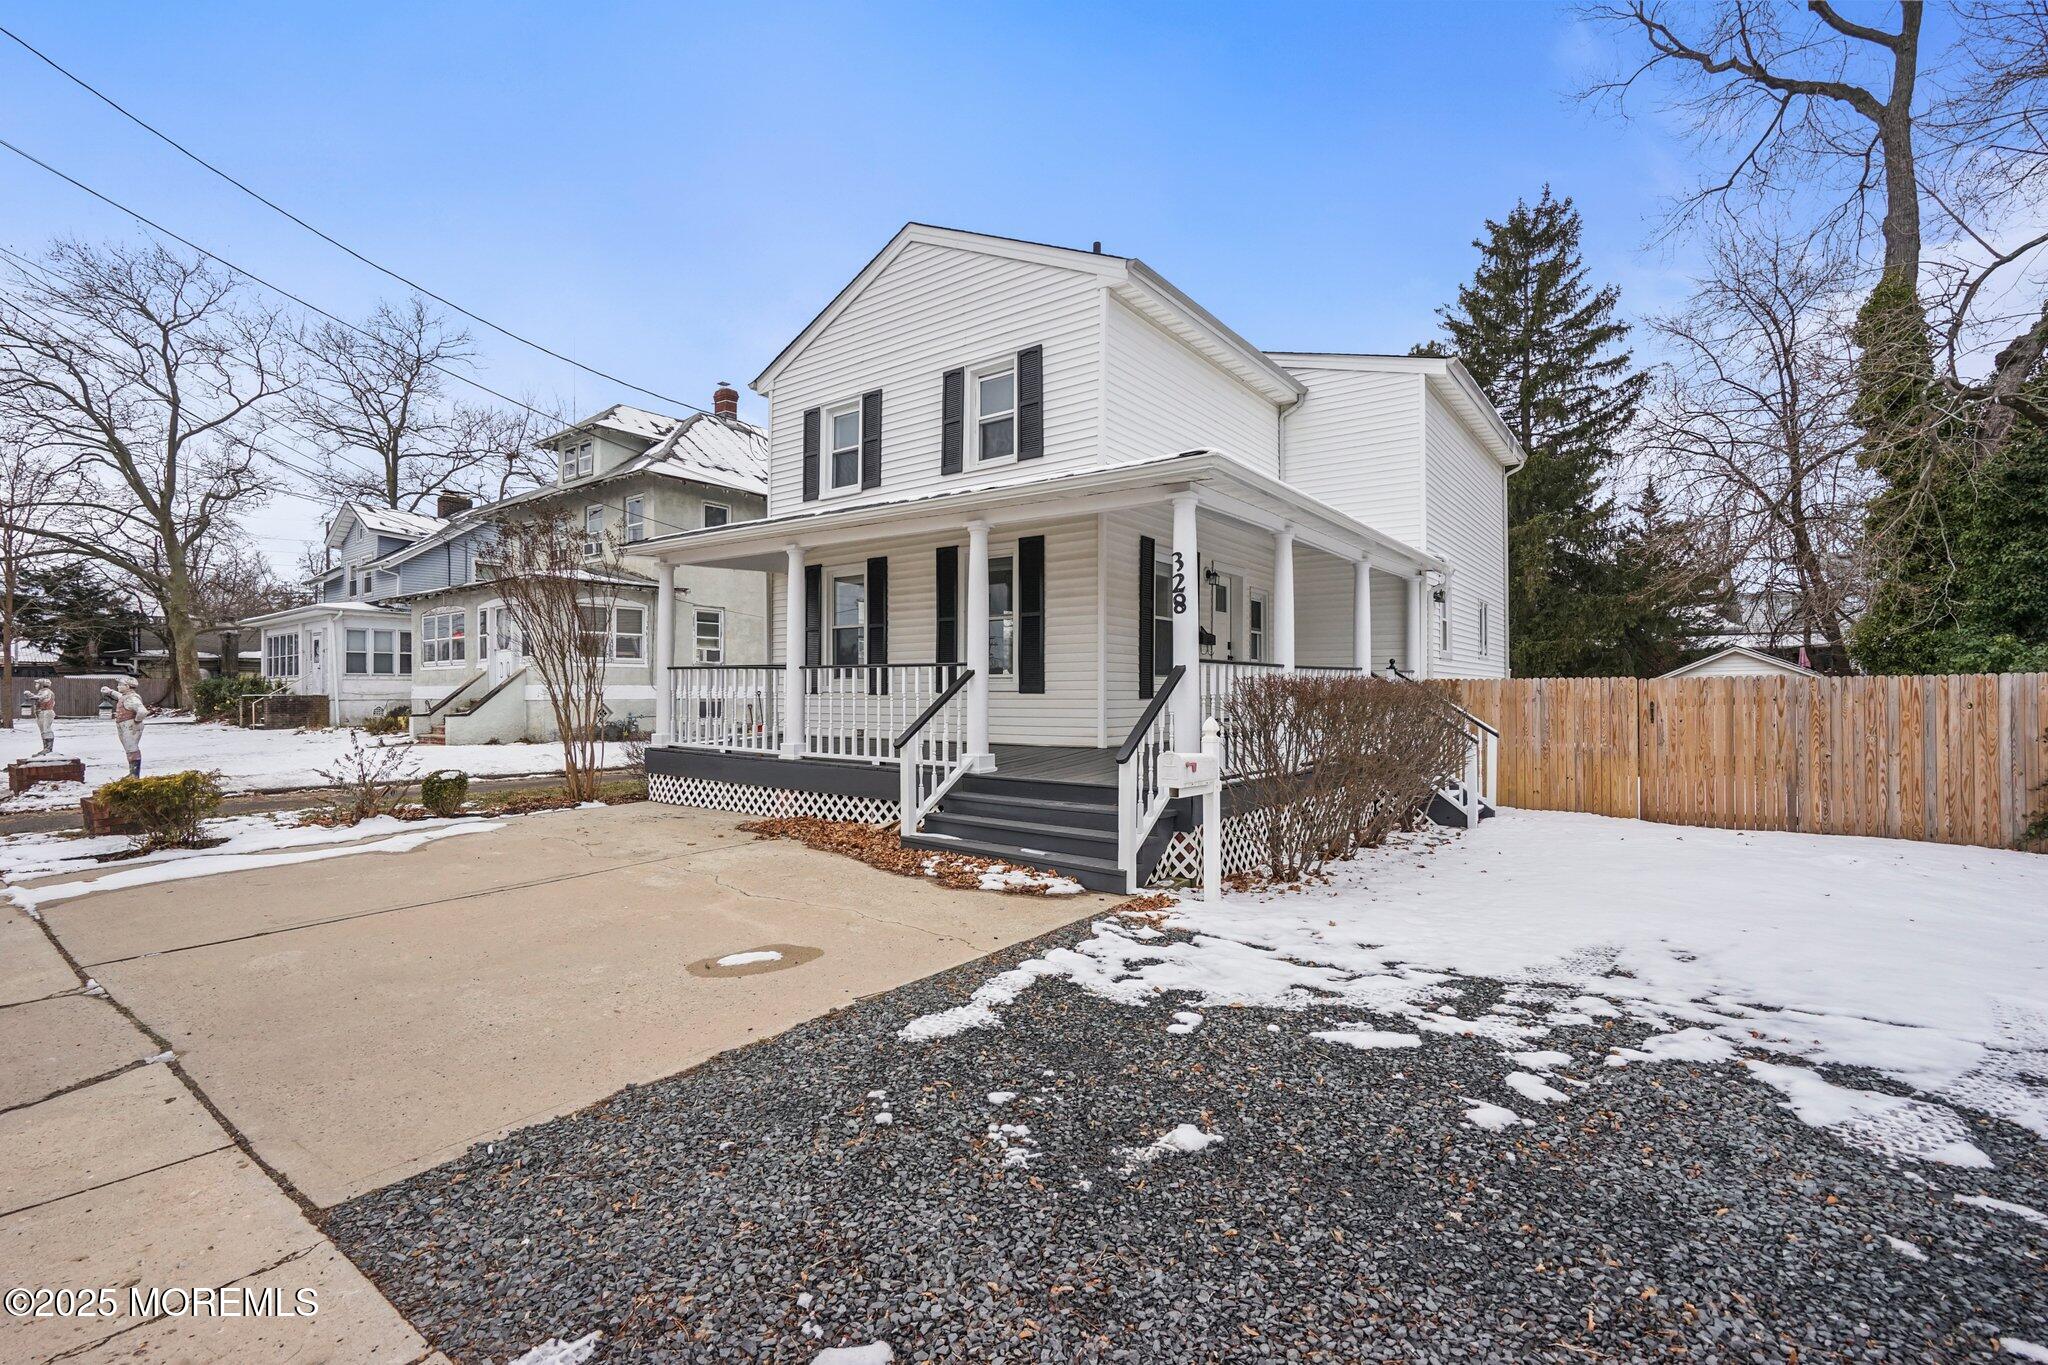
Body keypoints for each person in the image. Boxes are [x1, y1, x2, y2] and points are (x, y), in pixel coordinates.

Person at [102, 678, 150, 777]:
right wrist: (110, 692)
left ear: (128, 687)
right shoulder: (126, 697)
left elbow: (142, 711)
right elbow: (119, 696)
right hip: (123, 725)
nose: (118, 686)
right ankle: (132, 772)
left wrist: (137, 720)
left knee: (131, 748)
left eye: (121, 684)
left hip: (130, 726)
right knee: (128, 749)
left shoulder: (132, 698)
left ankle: (134, 774)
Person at [21, 679, 56, 754]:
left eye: (37, 684)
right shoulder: (41, 692)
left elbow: (40, 698)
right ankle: (45, 748)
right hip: (40, 713)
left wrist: (30, 694)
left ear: (42, 684)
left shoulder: (47, 691)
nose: (36, 685)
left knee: (46, 729)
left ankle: (49, 748)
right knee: (43, 731)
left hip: (46, 712)